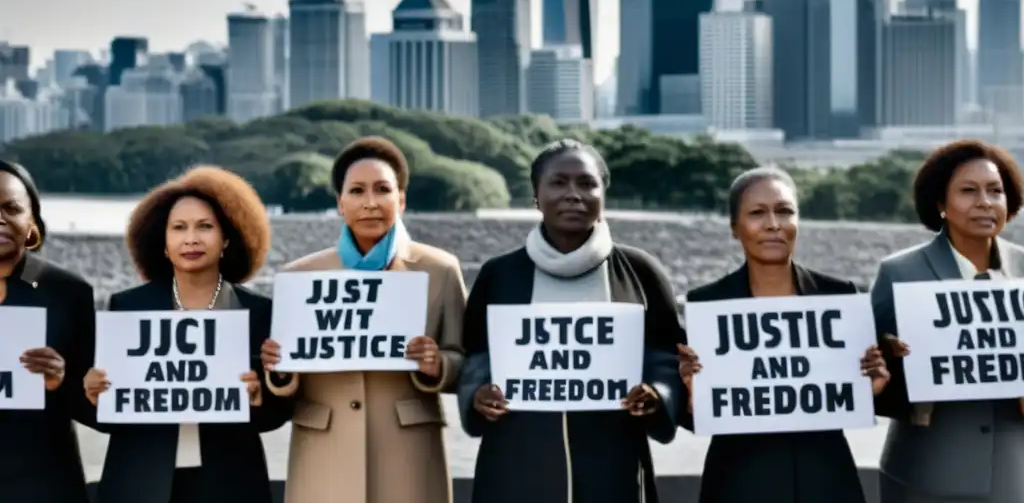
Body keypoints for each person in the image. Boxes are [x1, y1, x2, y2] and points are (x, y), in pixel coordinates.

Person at [459, 139, 683, 503]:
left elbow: (668, 357)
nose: (573, 194)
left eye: (587, 183)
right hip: (515, 465)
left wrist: (659, 394)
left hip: (614, 466)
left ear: (603, 194)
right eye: (558, 182)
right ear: (536, 194)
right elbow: (474, 356)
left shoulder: (642, 271)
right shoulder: (498, 275)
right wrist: (479, 395)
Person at [260, 136, 467, 503]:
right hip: (323, 448)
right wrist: (278, 369)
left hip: (409, 450)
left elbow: (465, 358)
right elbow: (285, 373)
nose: (370, 202)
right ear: (340, 203)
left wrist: (437, 365)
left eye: (382, 190)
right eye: (356, 191)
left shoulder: (441, 269)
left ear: (400, 200)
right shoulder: (299, 276)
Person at [677, 167, 890, 503]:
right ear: (735, 227)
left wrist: (872, 388)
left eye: (784, 211)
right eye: (757, 213)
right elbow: (701, 414)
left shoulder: (839, 295)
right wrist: (692, 394)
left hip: (826, 478)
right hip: (739, 480)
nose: (773, 224)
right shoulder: (707, 303)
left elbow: (851, 400)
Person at [83, 165, 290, 503]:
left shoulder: (258, 312)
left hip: (231, 482)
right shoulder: (128, 307)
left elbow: (275, 416)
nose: (191, 238)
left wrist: (259, 397)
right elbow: (109, 417)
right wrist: (93, 393)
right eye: (178, 228)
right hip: (139, 479)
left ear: (226, 238)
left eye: (204, 227)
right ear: (163, 243)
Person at [871, 140, 1024, 503]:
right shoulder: (899, 272)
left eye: (995, 191)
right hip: (924, 471)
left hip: (1013, 472)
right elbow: (860, 369)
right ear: (940, 204)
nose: (985, 202)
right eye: (969, 191)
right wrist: (892, 359)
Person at [0, 159, 95, 503]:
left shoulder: (68, 292)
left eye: (11, 208)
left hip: (45, 483)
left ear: (32, 224)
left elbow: (102, 410)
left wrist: (64, 381)